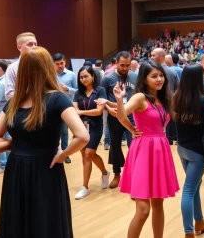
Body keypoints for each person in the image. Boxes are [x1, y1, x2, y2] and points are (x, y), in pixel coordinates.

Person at [0, 46, 89, 237]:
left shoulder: (15, 101)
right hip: (46, 167)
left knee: (18, 220)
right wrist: (63, 155)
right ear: (47, 68)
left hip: (18, 168)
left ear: (22, 71)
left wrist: (15, 144)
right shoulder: (58, 98)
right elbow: (82, 136)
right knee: (46, 221)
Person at [113, 61, 179, 238]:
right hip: (143, 150)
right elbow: (121, 114)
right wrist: (130, 124)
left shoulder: (164, 98)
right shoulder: (140, 97)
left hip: (160, 149)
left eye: (161, 75)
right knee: (143, 210)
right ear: (144, 78)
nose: (159, 79)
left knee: (158, 204)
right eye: (154, 76)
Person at [173, 64, 204, 238]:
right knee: (189, 189)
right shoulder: (201, 100)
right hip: (197, 151)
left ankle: (199, 221)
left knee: (195, 186)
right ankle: (188, 231)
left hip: (182, 148)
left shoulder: (177, 97)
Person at [100, 51, 137, 188]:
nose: (125, 68)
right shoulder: (107, 79)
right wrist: (108, 109)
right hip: (114, 117)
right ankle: (117, 173)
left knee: (133, 145)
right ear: (116, 63)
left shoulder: (135, 76)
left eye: (128, 65)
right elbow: (101, 99)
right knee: (115, 145)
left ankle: (133, 174)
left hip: (132, 116)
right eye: (122, 65)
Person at [73, 66, 110, 199]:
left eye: (86, 76)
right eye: (81, 77)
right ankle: (105, 173)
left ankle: (85, 187)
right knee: (87, 156)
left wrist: (81, 112)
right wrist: (78, 112)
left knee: (89, 154)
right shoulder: (78, 93)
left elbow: (98, 111)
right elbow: (73, 109)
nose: (83, 79)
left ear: (93, 76)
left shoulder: (100, 91)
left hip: (95, 126)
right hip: (81, 127)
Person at [53, 53, 77, 164]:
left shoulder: (72, 75)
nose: (60, 66)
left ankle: (65, 153)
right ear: (53, 64)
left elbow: (78, 91)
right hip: (51, 106)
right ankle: (54, 151)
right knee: (53, 131)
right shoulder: (50, 74)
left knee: (64, 131)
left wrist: (67, 89)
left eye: (61, 63)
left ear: (65, 62)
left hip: (66, 108)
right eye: (57, 64)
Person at [5, 32, 37, 100]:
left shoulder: (41, 65)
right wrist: (29, 98)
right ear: (19, 47)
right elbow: (9, 95)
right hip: (22, 108)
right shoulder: (12, 68)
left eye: (35, 44)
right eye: (30, 44)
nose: (34, 47)